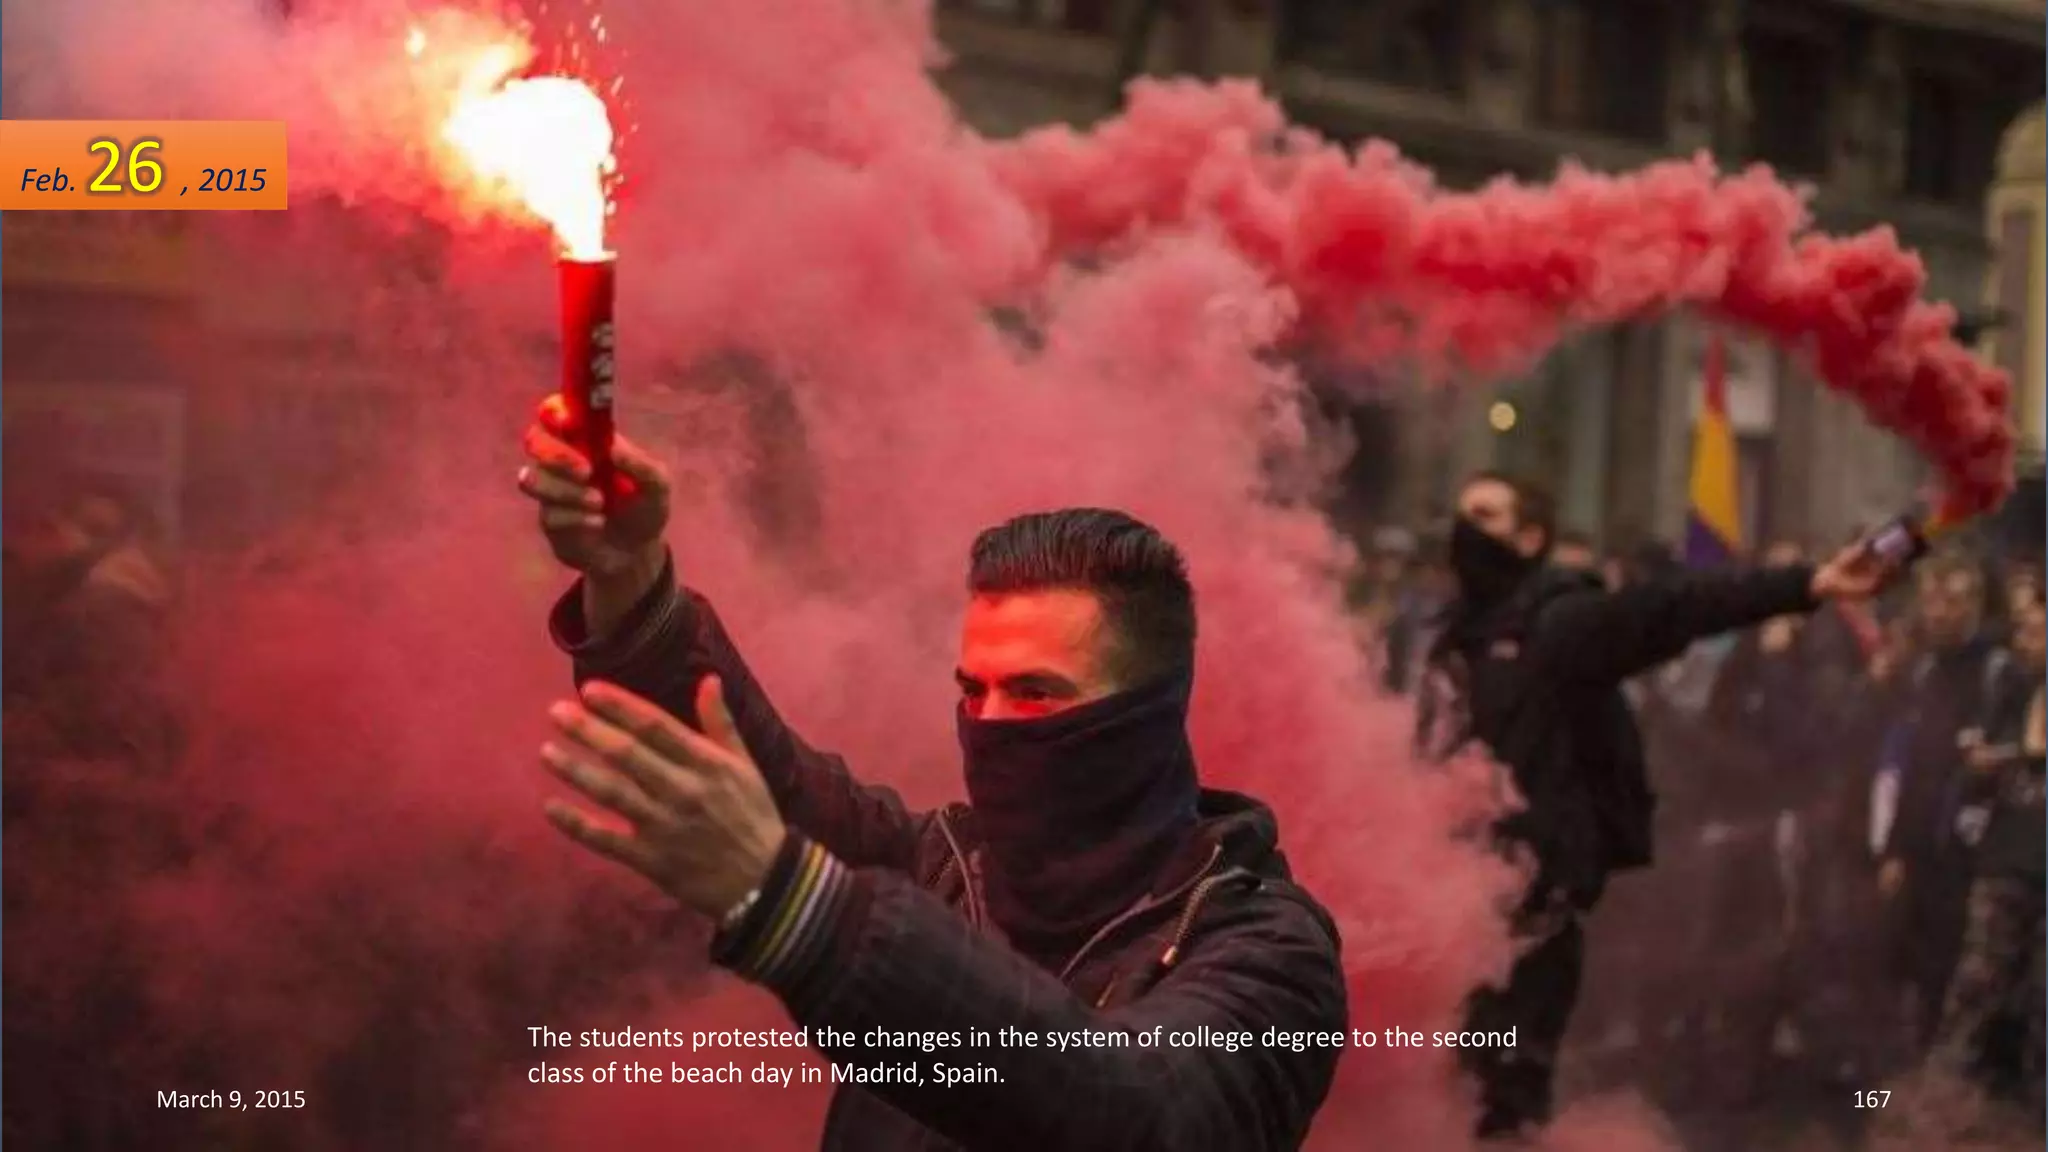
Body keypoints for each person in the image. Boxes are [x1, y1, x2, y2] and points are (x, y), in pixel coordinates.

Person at [515, 406, 1348, 1151]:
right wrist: (628, 578)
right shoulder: (942, 866)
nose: (986, 724)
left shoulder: (1266, 953)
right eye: (970, 690)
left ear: (1144, 712)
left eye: (1032, 693)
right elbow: (754, 768)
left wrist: (797, 908)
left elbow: (1132, 1114)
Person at [1415, 470, 1888, 1140]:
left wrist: (1805, 584)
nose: (1466, 531)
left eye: (1486, 516)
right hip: (1454, 907)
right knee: (1441, 1085)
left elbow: (1672, 607)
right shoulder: (1453, 640)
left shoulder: (1561, 622)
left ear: (1530, 537)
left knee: (1502, 1097)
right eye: (1462, 514)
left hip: (1530, 915)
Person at [1873, 557, 2006, 1049]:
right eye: (1930, 600)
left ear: (1973, 603)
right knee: (1909, 965)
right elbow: (1907, 768)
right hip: (1920, 845)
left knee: (1958, 975)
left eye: (1950, 601)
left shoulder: (1998, 672)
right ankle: (1893, 1086)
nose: (1938, 613)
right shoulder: (1923, 671)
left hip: (1971, 851)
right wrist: (1894, 850)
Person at [1922, 595, 2045, 1117]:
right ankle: (1934, 1104)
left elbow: (2034, 748)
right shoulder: (2010, 692)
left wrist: (2014, 753)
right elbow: (1976, 765)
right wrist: (1983, 760)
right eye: (2022, 632)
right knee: (1975, 985)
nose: (2024, 643)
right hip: (2007, 857)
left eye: (2037, 633)